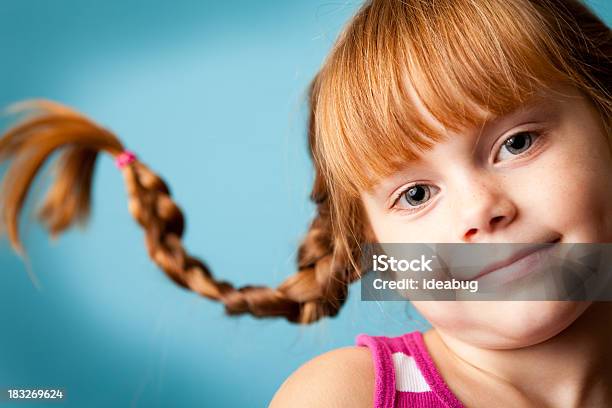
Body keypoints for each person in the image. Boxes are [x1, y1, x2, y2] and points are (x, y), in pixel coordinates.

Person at [1, 0, 610, 406]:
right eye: (416, 194)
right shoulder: (344, 398)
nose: (480, 209)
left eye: (517, 142)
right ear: (378, 258)